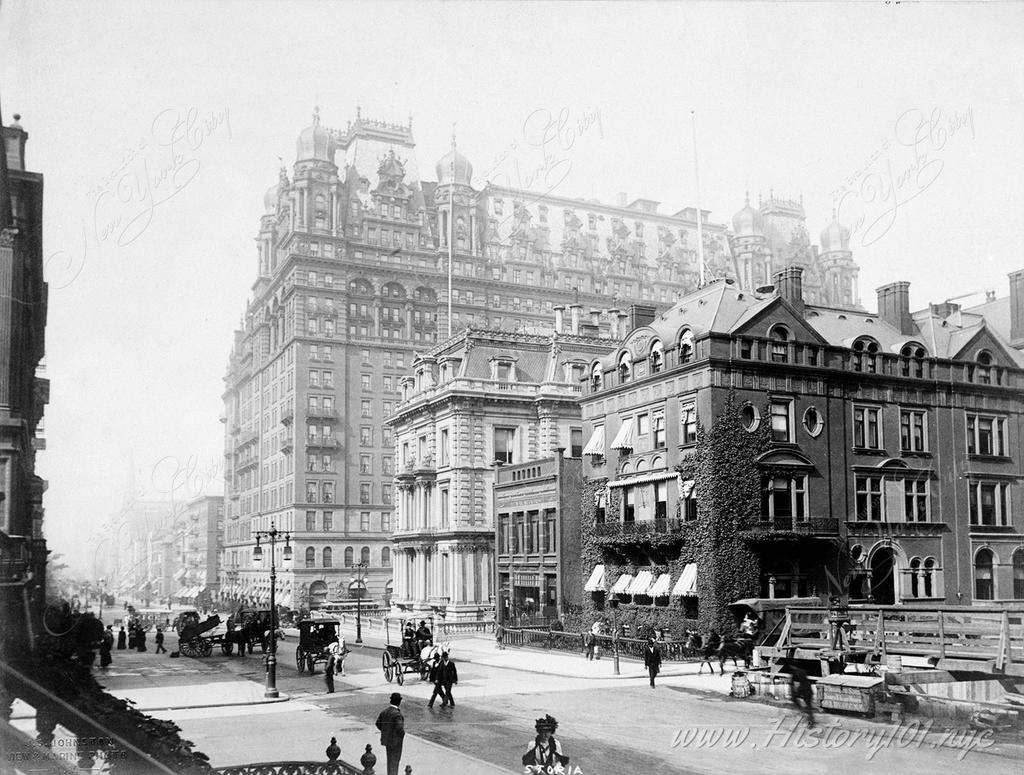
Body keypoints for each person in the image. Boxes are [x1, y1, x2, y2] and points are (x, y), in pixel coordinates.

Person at [375, 692, 405, 775]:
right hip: (396, 742)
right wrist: (401, 735)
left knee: (390, 760)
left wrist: (386, 731)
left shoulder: (384, 711)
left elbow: (378, 723)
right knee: (395, 762)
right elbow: (399, 729)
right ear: (399, 702)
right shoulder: (397, 714)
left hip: (387, 741)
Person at [787, 660, 816, 727]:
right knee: (808, 705)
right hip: (807, 689)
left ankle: (807, 718)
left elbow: (798, 684)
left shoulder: (796, 673)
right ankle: (809, 718)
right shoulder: (801, 671)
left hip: (804, 689)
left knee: (804, 705)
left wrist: (796, 694)